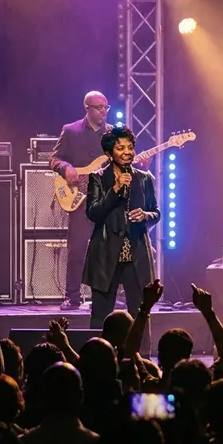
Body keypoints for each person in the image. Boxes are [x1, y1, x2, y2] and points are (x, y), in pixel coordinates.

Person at [82, 126, 160, 328]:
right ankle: (99, 355)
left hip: (136, 253)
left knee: (141, 312)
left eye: (130, 147)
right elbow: (93, 213)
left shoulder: (144, 179)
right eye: (120, 148)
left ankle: (140, 357)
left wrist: (145, 215)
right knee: (101, 314)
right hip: (106, 253)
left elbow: (156, 213)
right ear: (109, 153)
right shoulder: (98, 177)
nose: (127, 152)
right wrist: (115, 189)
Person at [50, 91, 113, 310]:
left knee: (106, 249)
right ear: (87, 108)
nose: (104, 111)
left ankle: (103, 295)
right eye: (99, 107)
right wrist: (65, 168)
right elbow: (54, 159)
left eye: (106, 107)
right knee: (77, 250)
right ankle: (72, 296)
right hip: (80, 198)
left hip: (104, 199)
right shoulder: (71, 131)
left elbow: (123, 161)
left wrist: (142, 162)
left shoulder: (112, 134)